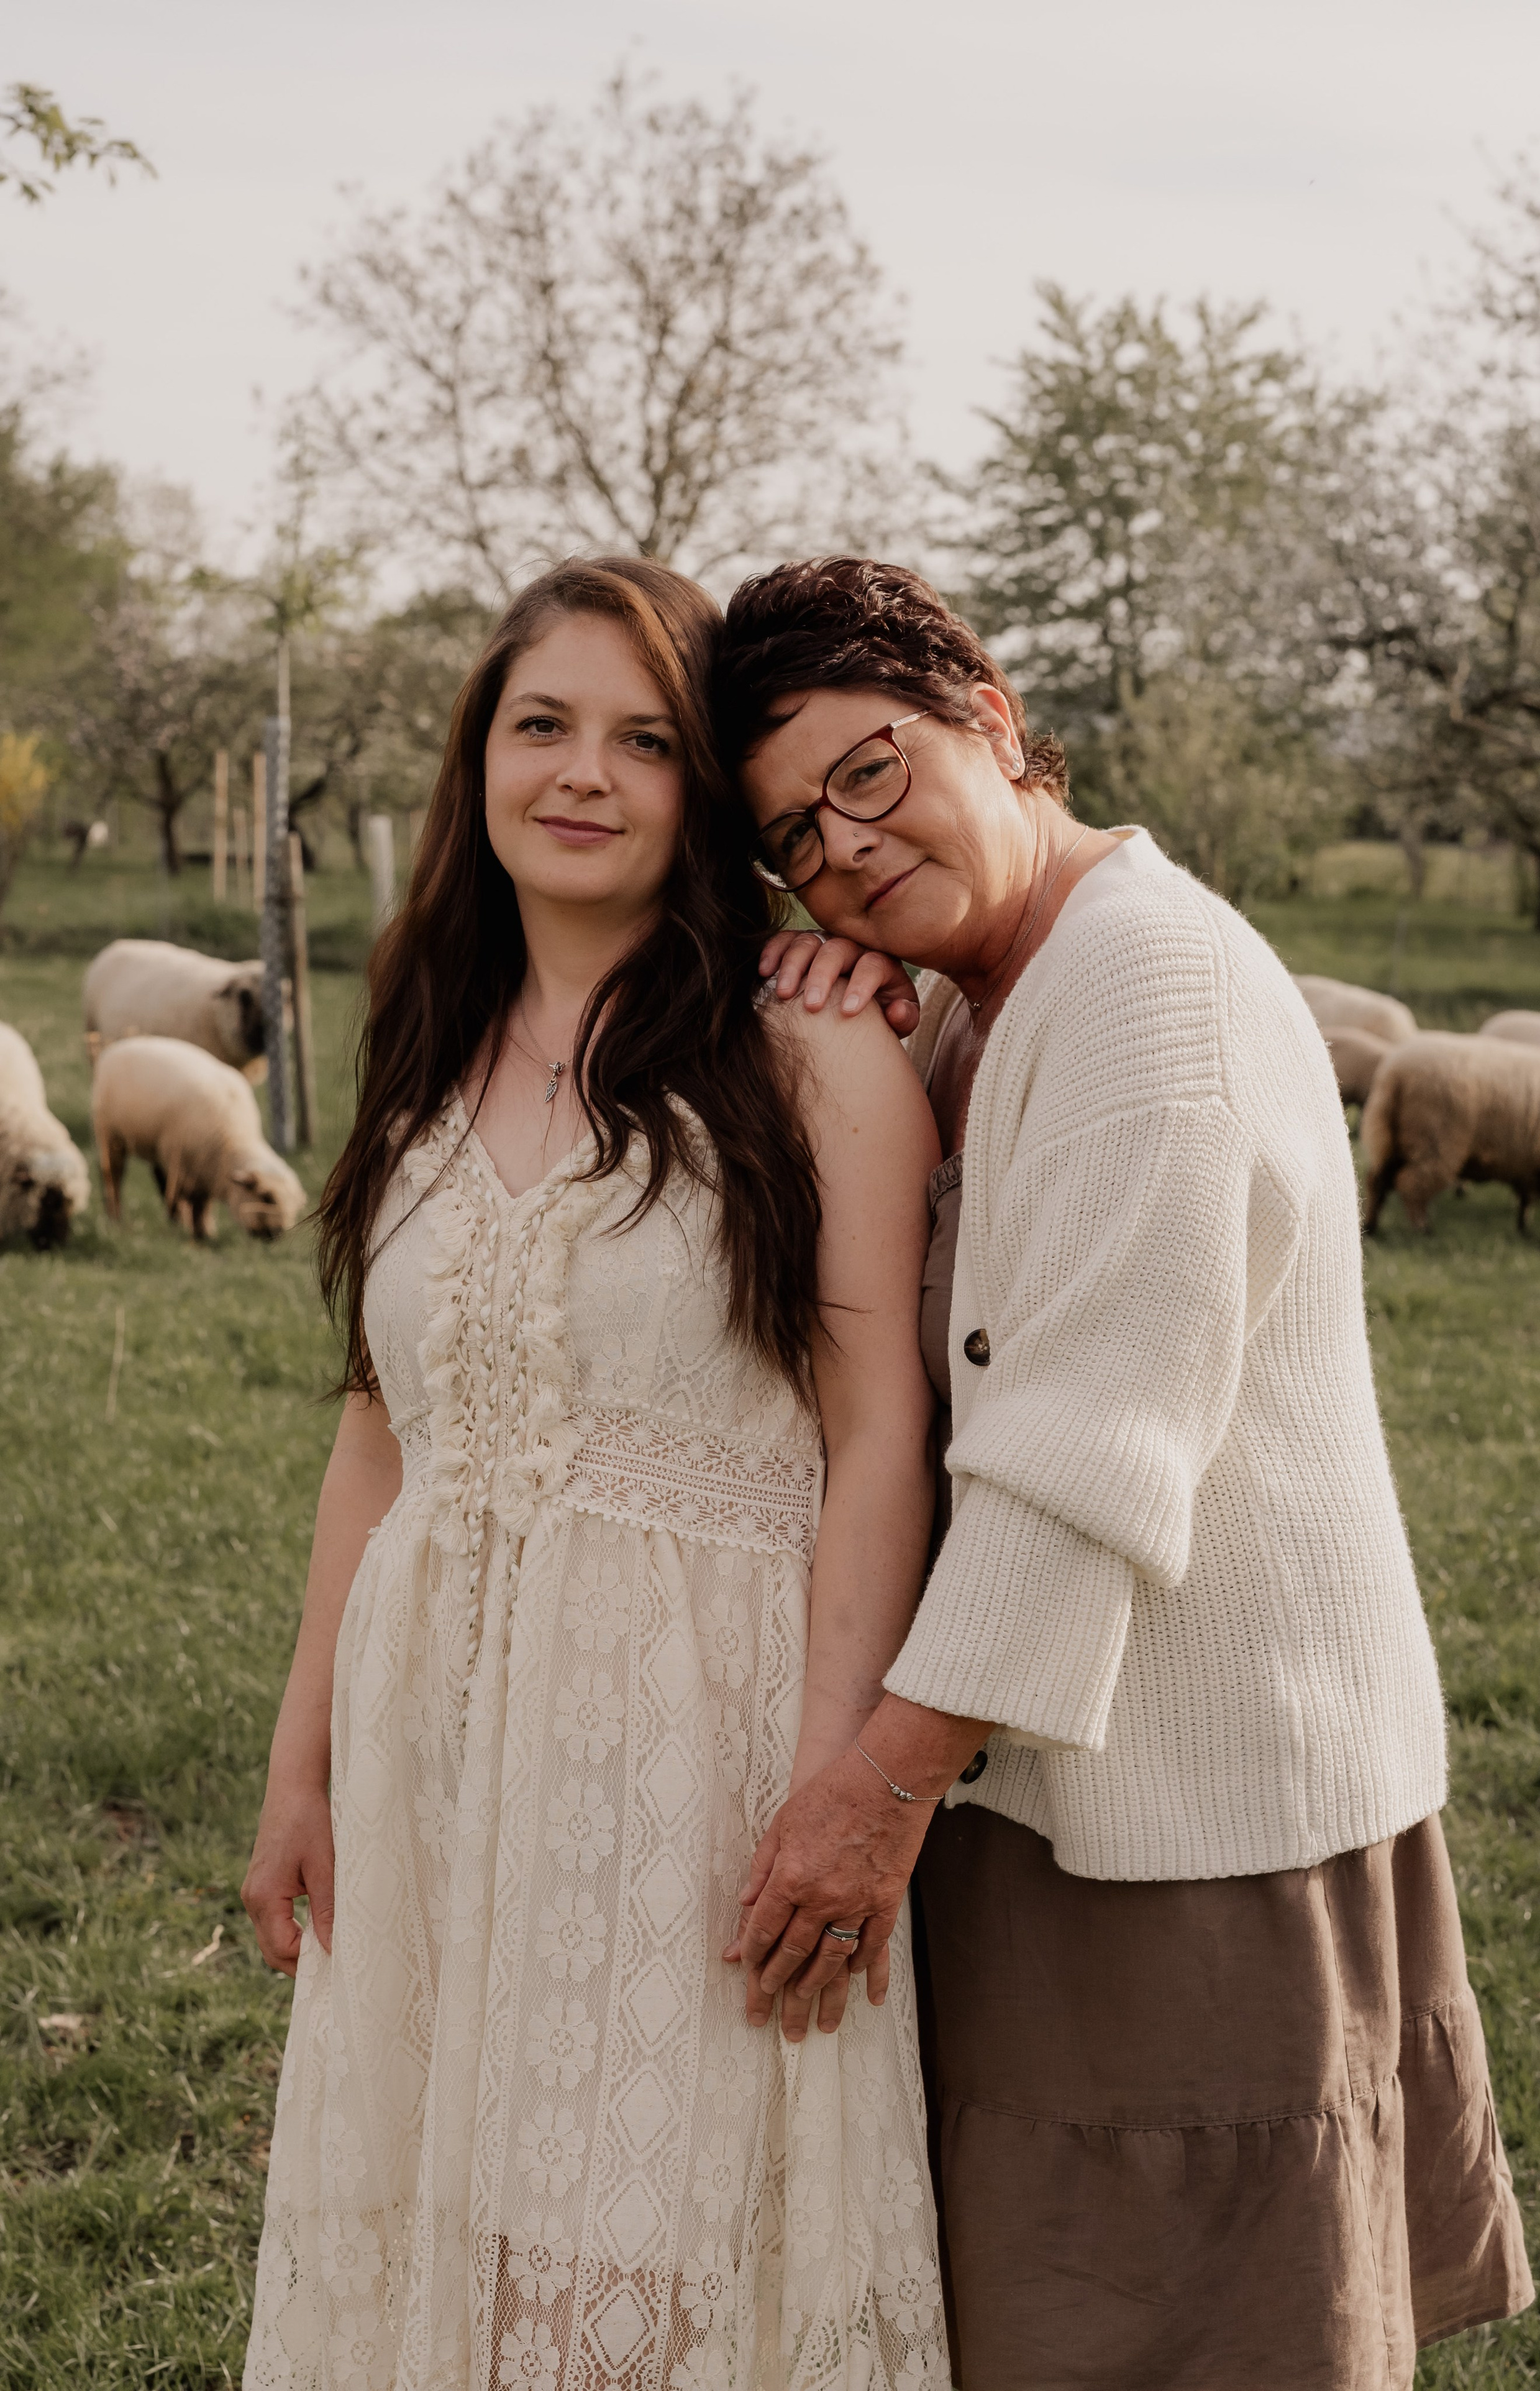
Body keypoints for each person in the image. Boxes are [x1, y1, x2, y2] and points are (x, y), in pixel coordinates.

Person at [711, 556, 1534, 2391]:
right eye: (790, 837)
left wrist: (877, 1791)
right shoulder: (994, 991)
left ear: (993, 722)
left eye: (870, 770)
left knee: (1191, 2342)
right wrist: (873, 1040)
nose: (839, 847)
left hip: (1200, 1815)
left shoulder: (1143, 995)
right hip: (1061, 1775)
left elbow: (1084, 1455)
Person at [240, 559, 951, 2391]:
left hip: (686, 1762)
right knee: (437, 2222)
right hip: (436, 1744)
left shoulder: (807, 1048)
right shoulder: (419, 1054)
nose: (584, 774)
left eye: (643, 740)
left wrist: (835, 1781)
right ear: (479, 757)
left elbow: (882, 1438)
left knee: (633, 2250)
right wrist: (300, 1760)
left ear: (698, 790)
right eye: (541, 724)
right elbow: (382, 1432)